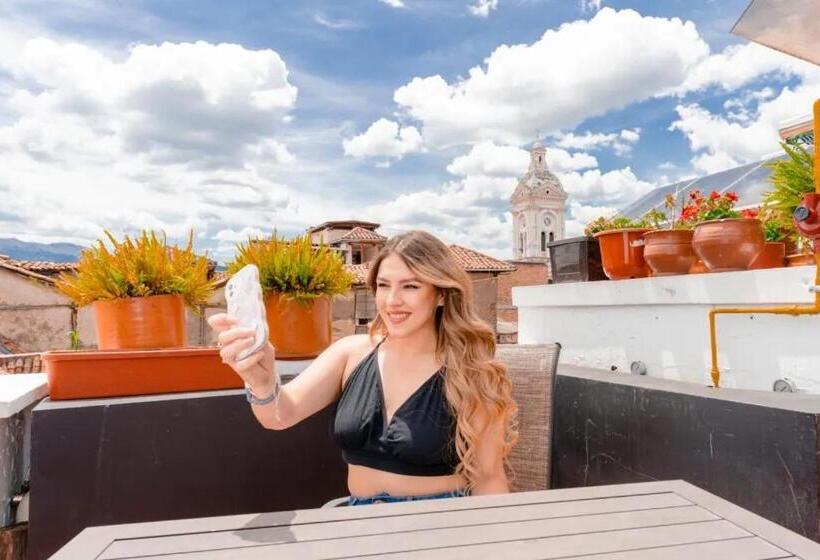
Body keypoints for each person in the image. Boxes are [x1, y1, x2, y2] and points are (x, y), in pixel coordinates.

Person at [208, 230, 518, 505]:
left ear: (441, 295)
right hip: (360, 523)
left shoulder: (471, 371)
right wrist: (260, 381)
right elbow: (279, 415)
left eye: (410, 286)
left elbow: (489, 478)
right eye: (383, 285)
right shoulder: (350, 353)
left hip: (440, 525)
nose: (392, 300)